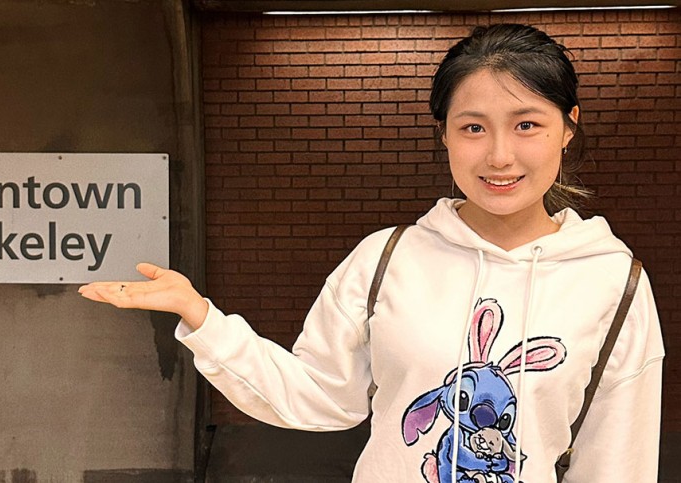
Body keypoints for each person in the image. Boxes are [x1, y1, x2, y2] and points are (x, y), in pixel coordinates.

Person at [79, 24, 664, 483]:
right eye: (473, 128)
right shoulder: (387, 259)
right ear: (444, 134)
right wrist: (201, 317)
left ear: (568, 127)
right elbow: (316, 396)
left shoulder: (614, 281)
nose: (500, 156)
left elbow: (618, 462)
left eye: (527, 124)